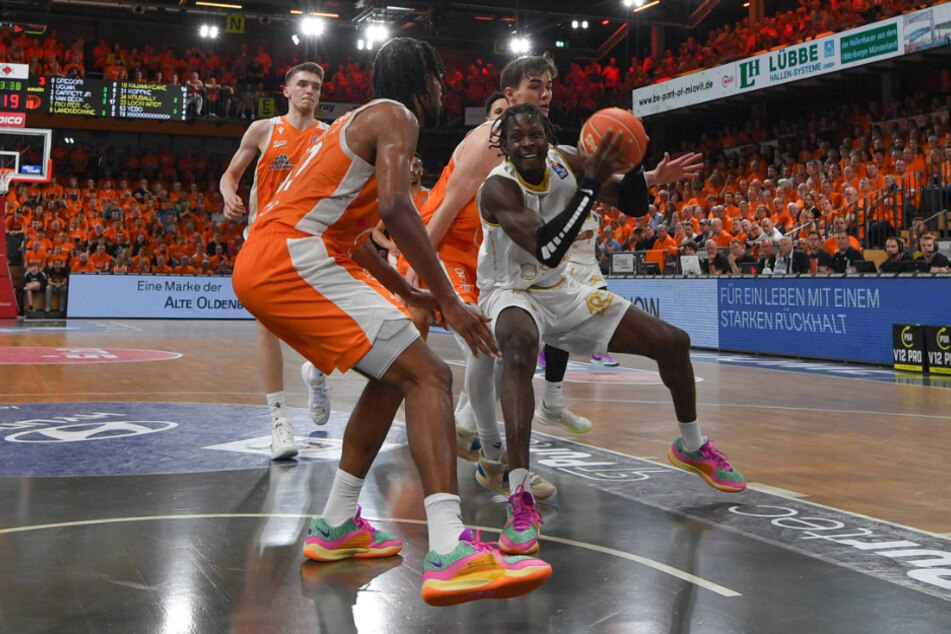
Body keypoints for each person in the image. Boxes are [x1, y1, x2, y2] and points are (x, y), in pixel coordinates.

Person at [230, 38, 551, 606]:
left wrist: (411, 291)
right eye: (438, 78)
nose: (444, 89)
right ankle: (451, 549)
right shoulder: (395, 115)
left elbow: (357, 241)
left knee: (394, 372)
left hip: (279, 256)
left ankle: (335, 526)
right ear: (420, 79)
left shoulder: (351, 127)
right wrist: (449, 299)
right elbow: (397, 210)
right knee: (431, 376)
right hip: (289, 257)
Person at [474, 103, 745, 556]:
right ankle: (519, 497)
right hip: (510, 291)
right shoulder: (497, 187)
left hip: (563, 290)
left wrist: (632, 163)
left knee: (672, 343)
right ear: (504, 142)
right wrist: (590, 185)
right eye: (516, 136)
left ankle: (692, 447)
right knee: (520, 347)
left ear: (547, 135)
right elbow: (548, 247)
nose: (527, 143)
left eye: (534, 134)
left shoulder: (567, 160)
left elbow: (635, 206)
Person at [220, 61, 332, 460]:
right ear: (286, 90)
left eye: (316, 86)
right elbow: (230, 174)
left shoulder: (329, 136)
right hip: (265, 239)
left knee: (322, 322)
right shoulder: (263, 130)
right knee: (267, 326)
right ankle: (279, 420)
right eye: (302, 84)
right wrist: (228, 195)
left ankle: (316, 373)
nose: (309, 91)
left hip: (310, 240)